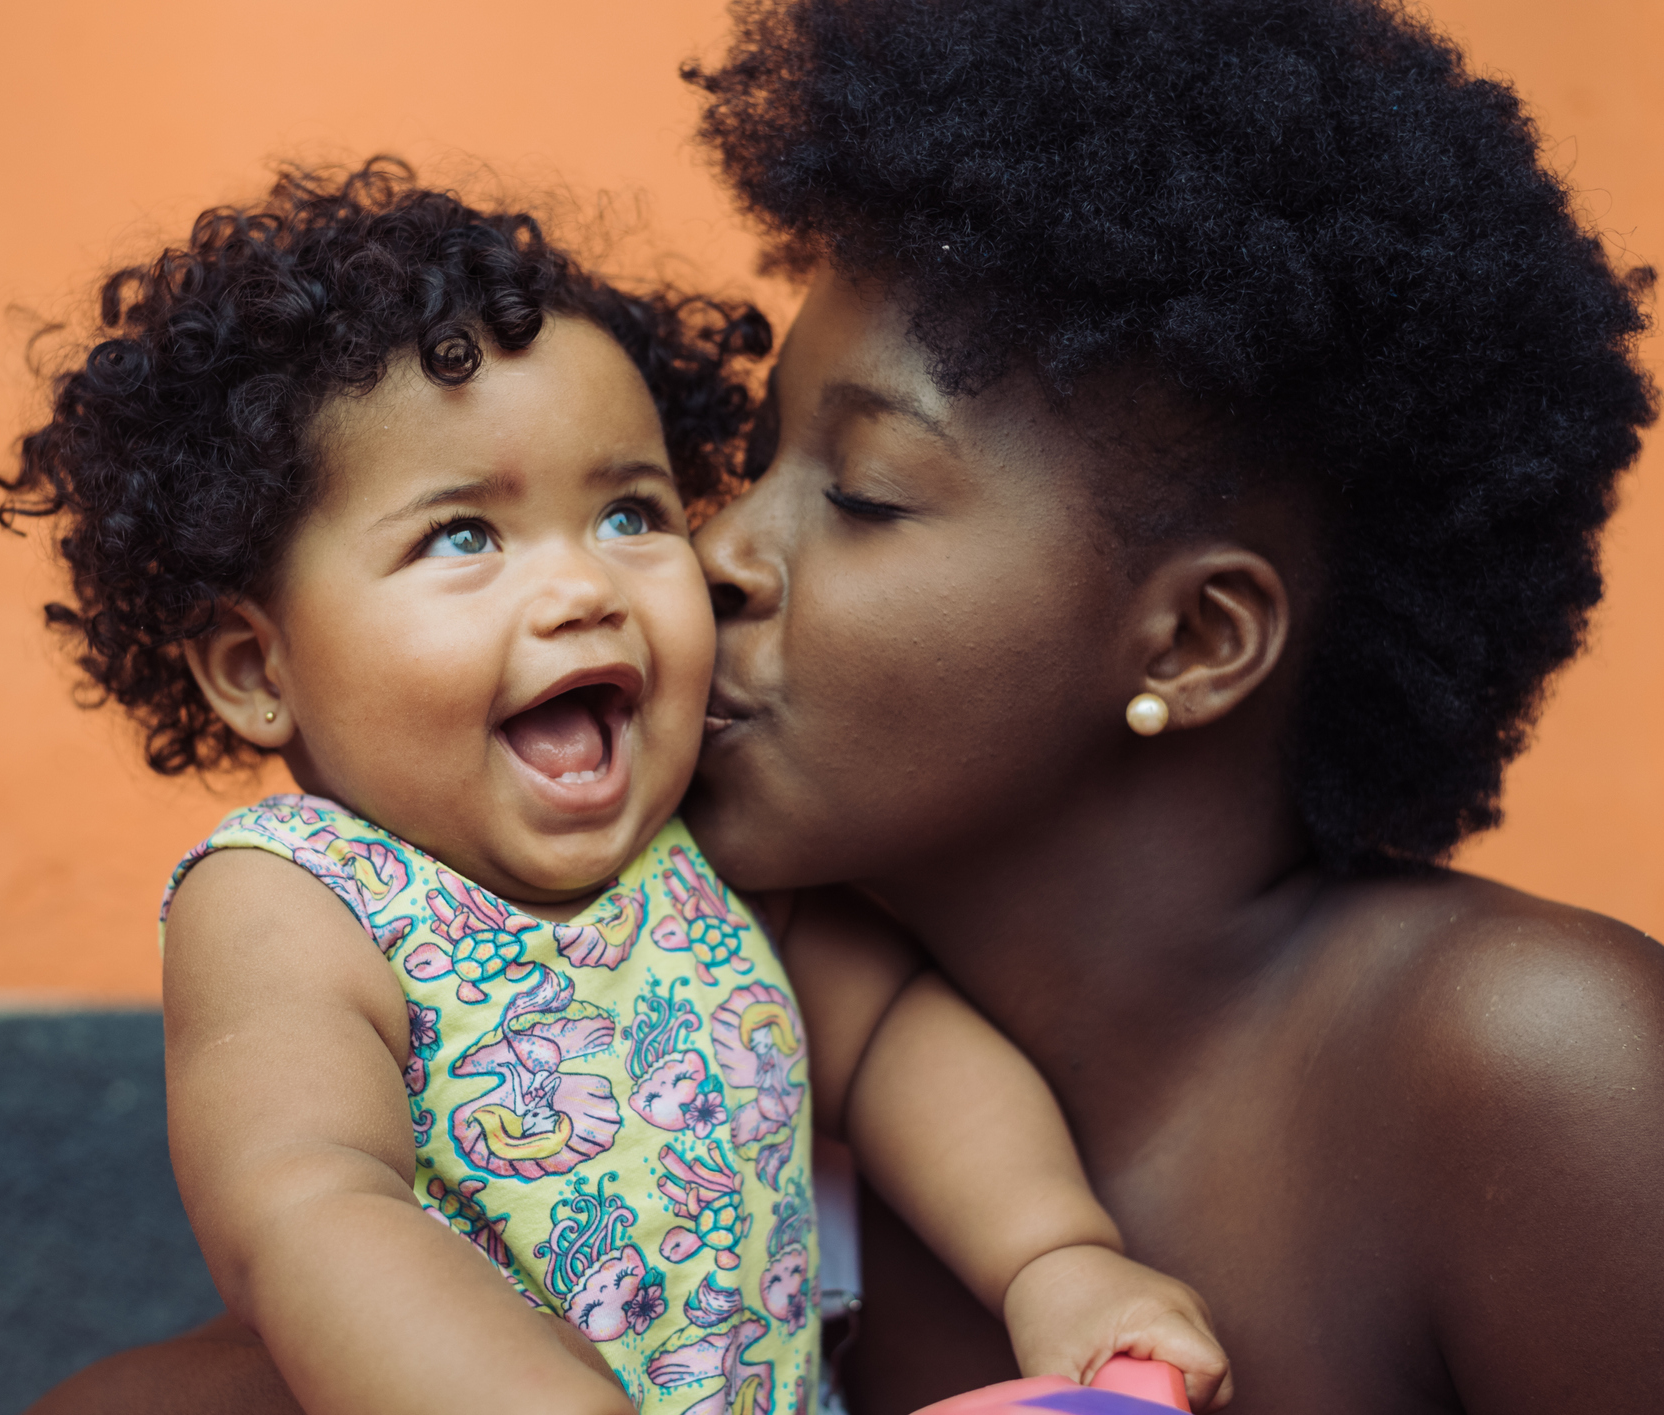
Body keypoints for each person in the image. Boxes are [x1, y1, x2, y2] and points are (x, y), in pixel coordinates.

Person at [0, 162, 1232, 1415]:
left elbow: (902, 1043)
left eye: (632, 513)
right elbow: (308, 1195)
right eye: (463, 535)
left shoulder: (693, 855)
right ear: (259, 668)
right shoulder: (295, 897)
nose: (586, 587)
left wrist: (1052, 1253)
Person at [678, 0, 1664, 1411]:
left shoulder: (1529, 1062)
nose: (713, 550)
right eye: (754, 456)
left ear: (1191, 641)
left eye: (858, 493)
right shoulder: (685, 1032)